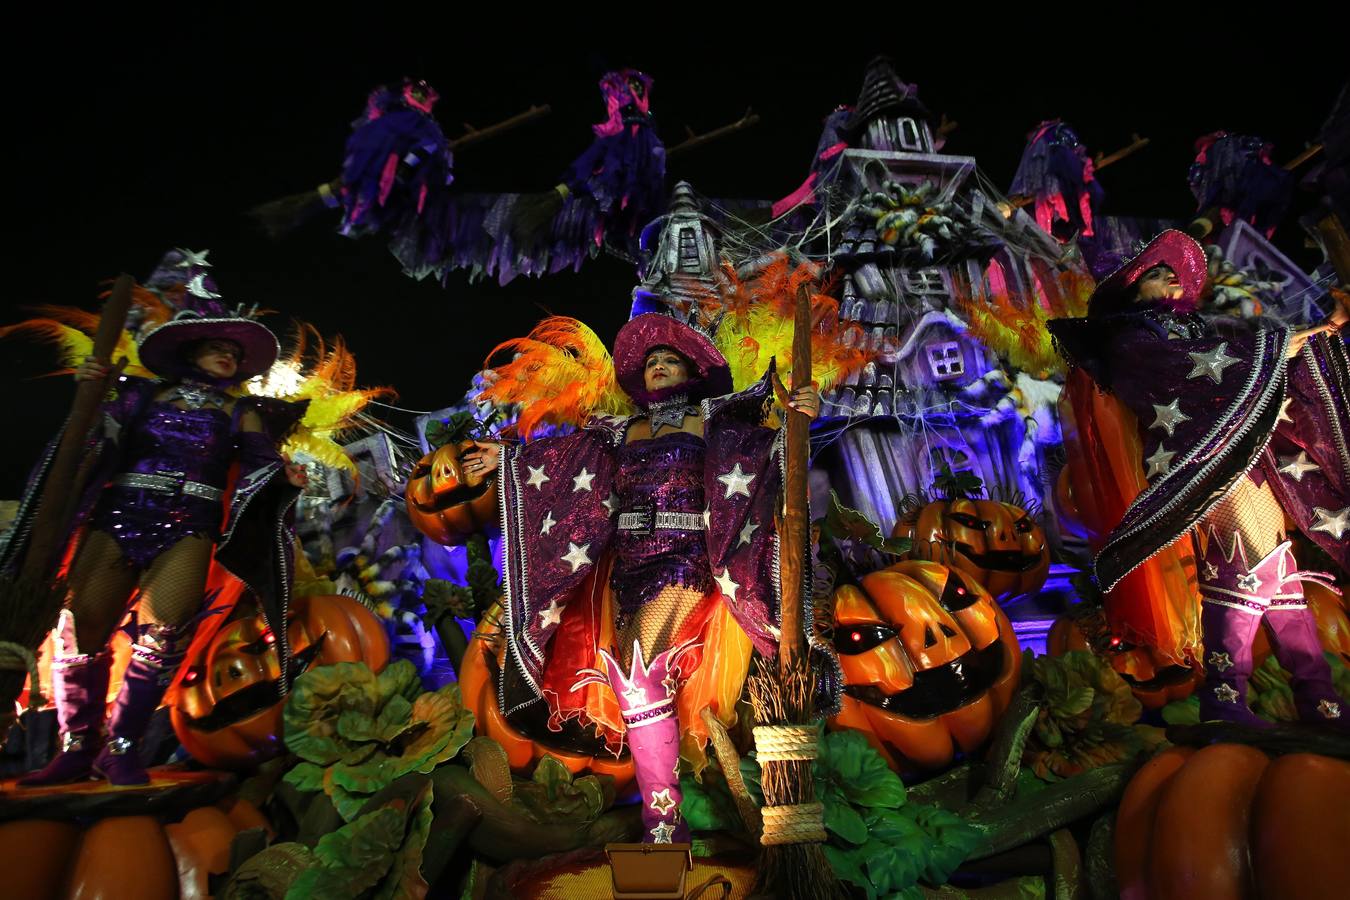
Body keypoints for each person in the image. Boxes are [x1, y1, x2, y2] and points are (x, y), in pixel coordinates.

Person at [464, 312, 818, 843]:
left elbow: (770, 447)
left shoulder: (715, 419)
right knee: (634, 679)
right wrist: (509, 457)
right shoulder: (618, 430)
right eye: (651, 361)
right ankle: (674, 814)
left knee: (639, 668)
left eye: (669, 359)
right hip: (627, 567)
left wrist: (802, 414)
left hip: (686, 561)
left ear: (692, 373)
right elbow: (563, 461)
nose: (657, 366)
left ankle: (663, 826)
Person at [3, 251, 308, 785]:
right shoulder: (139, 394)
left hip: (190, 525)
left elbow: (261, 467)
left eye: (235, 352)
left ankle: (121, 748)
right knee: (82, 629)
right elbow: (95, 443)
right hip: (116, 516)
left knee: (165, 632)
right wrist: (96, 393)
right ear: (191, 350)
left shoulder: (242, 412)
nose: (228, 356)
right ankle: (76, 747)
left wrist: (284, 480)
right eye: (218, 346)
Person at [1049, 230, 1349, 729]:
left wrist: (1320, 332)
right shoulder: (1131, 340)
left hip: (1249, 459)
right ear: (1133, 283)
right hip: (1204, 462)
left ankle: (1318, 702)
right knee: (1245, 565)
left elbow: (1259, 357)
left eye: (1177, 276)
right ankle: (1225, 701)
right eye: (1159, 273)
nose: (1171, 282)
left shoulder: (1198, 329)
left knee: (1278, 572)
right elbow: (1209, 370)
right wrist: (1276, 349)